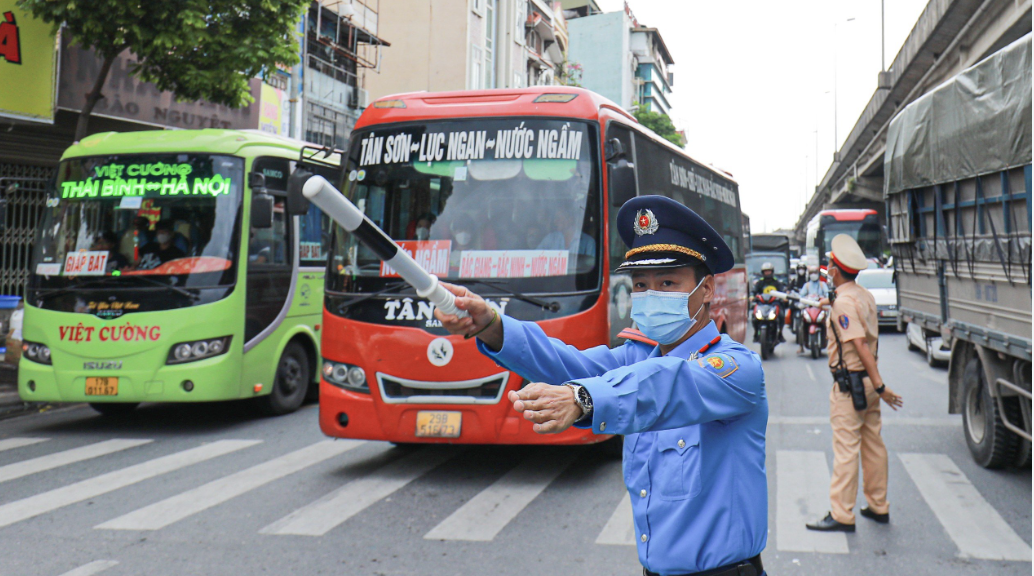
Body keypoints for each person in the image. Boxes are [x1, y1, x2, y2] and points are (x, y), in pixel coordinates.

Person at [435, 195, 769, 576]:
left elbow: (670, 383)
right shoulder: (637, 357)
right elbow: (567, 362)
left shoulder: (735, 369)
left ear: (706, 289)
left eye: (668, 283)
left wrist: (583, 397)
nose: (651, 295)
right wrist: (491, 325)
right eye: (640, 285)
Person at [806, 234, 903, 533]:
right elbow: (850, 311)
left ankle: (842, 514)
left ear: (835, 270)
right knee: (873, 444)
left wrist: (882, 386)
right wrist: (877, 386)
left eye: (829, 266)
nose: (827, 270)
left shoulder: (844, 304)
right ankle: (878, 505)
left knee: (846, 450)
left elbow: (859, 344)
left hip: (850, 387)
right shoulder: (863, 295)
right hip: (868, 385)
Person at [796, 266, 829, 355]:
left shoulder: (822, 284)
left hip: (820, 308)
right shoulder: (806, 285)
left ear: (818, 274)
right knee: (801, 324)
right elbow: (801, 296)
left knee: (830, 323)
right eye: (811, 273)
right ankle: (801, 346)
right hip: (809, 308)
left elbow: (827, 295)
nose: (813, 275)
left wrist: (824, 299)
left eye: (815, 273)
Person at [752, 262, 785, 342]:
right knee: (754, 317)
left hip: (774, 303)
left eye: (769, 271)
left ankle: (780, 333)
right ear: (763, 273)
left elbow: (782, 291)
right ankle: (756, 333)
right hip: (762, 303)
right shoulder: (760, 282)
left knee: (781, 315)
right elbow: (754, 291)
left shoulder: (777, 282)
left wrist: (783, 297)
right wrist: (751, 296)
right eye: (765, 271)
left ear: (772, 272)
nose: (767, 273)